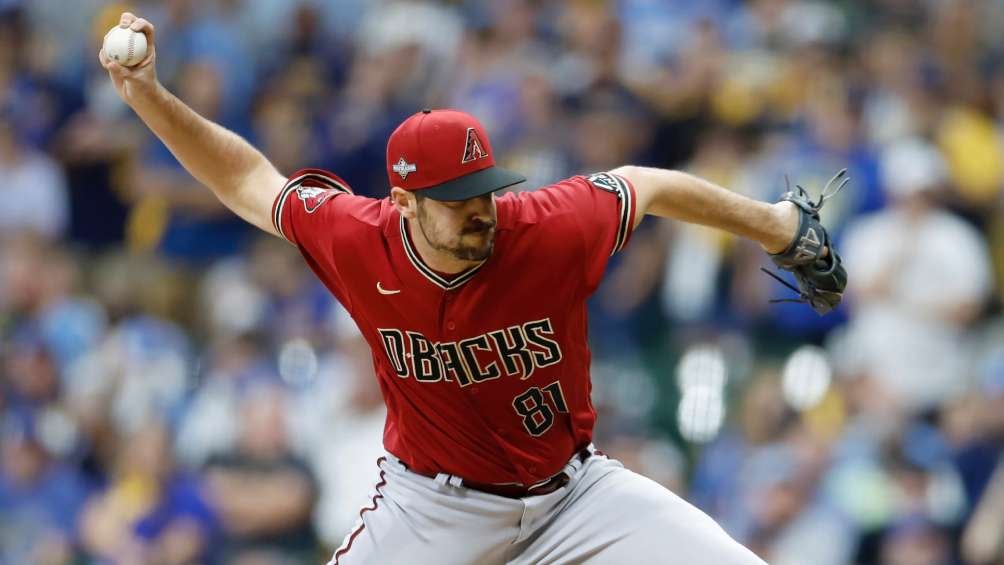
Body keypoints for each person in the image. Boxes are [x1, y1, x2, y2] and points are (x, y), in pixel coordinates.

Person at [99, 12, 843, 564]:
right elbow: (248, 178)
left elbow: (644, 186)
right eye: (457, 197)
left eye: (483, 187)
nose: (481, 208)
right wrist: (149, 97)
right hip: (434, 508)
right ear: (404, 202)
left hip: (576, 496)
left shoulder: (544, 226)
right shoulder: (360, 238)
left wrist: (775, 225)